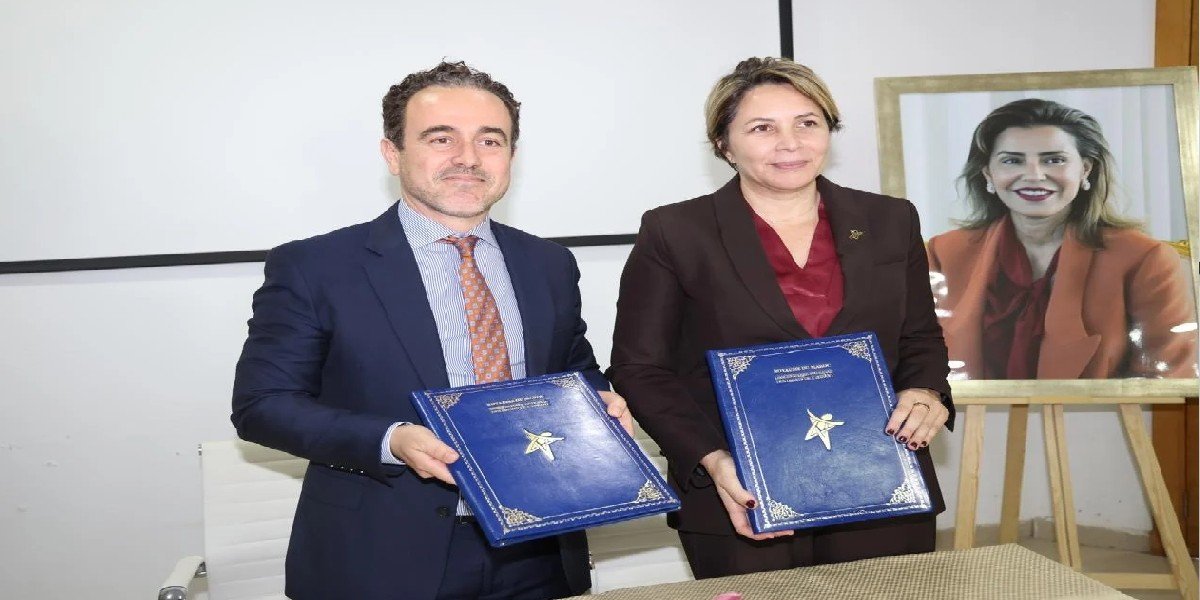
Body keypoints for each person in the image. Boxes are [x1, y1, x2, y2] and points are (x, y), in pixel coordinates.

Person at [231, 60, 631, 600]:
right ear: (392, 153)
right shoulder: (316, 267)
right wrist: (391, 440)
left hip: (537, 551)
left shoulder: (548, 263)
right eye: (441, 138)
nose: (468, 158)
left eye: (490, 141)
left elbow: (571, 370)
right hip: (381, 557)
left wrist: (601, 399)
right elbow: (263, 404)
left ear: (512, 155)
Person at [607, 57, 954, 579]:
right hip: (741, 492)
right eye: (762, 128)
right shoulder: (675, 232)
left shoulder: (889, 219)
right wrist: (712, 459)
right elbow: (640, 368)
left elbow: (919, 336)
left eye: (807, 123)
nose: (789, 143)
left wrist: (926, 391)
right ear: (724, 144)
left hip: (879, 477)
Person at [926, 98, 1197, 380]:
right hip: (970, 422)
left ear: (1085, 170)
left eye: (1054, 160)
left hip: (1097, 422)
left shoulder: (1144, 258)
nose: (1033, 175)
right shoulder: (944, 253)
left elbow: (1167, 379)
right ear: (988, 174)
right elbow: (920, 364)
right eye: (1012, 160)